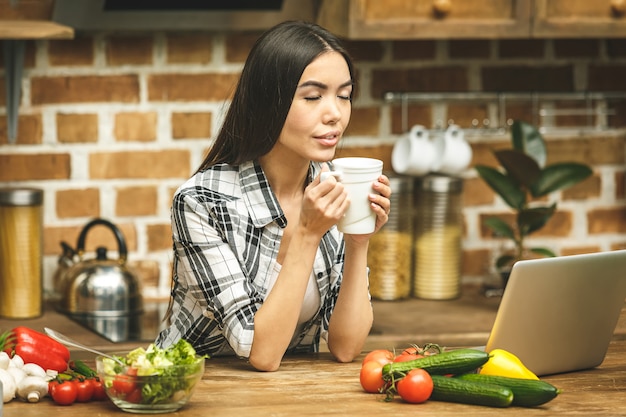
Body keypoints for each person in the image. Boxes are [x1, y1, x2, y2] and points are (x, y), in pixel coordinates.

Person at [155, 20, 392, 372]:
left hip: (288, 396)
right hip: (193, 391)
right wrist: (308, 233)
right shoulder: (202, 202)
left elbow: (345, 346)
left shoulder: (331, 188)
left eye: (344, 95)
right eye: (313, 97)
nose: (335, 114)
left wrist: (358, 241)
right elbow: (261, 353)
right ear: (269, 102)